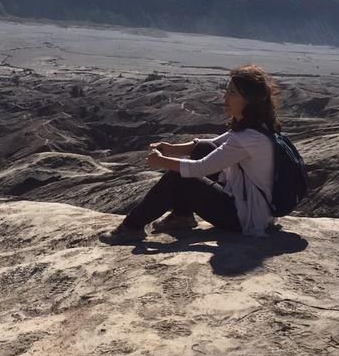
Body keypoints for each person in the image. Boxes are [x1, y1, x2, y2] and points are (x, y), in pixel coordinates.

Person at [99, 64, 280, 245]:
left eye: (233, 93)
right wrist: (170, 148)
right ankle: (182, 216)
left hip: (244, 218)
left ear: (250, 99)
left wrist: (161, 161)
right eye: (227, 91)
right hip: (254, 207)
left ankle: (131, 227)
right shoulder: (257, 125)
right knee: (204, 149)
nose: (225, 97)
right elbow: (212, 145)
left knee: (179, 176)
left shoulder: (248, 137)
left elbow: (199, 168)